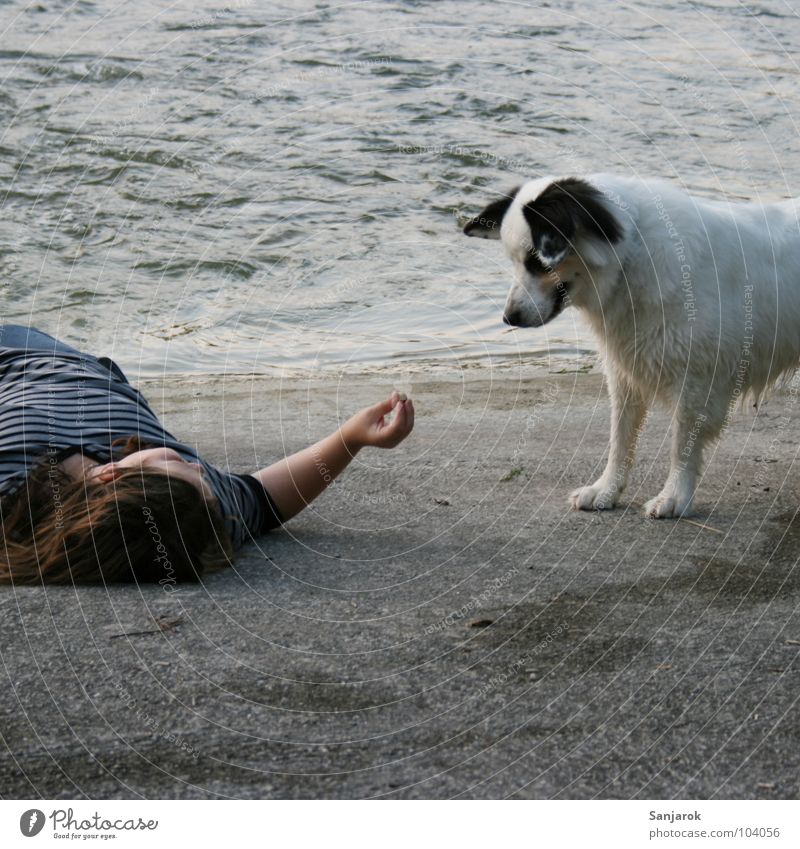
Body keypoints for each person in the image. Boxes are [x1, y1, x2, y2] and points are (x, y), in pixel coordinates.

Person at [0, 325, 414, 585]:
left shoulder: (14, 491)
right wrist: (352, 439)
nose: (199, 465)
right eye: (197, 475)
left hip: (16, 357)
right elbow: (266, 499)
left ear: (113, 477)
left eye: (177, 464)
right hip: (89, 371)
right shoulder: (197, 510)